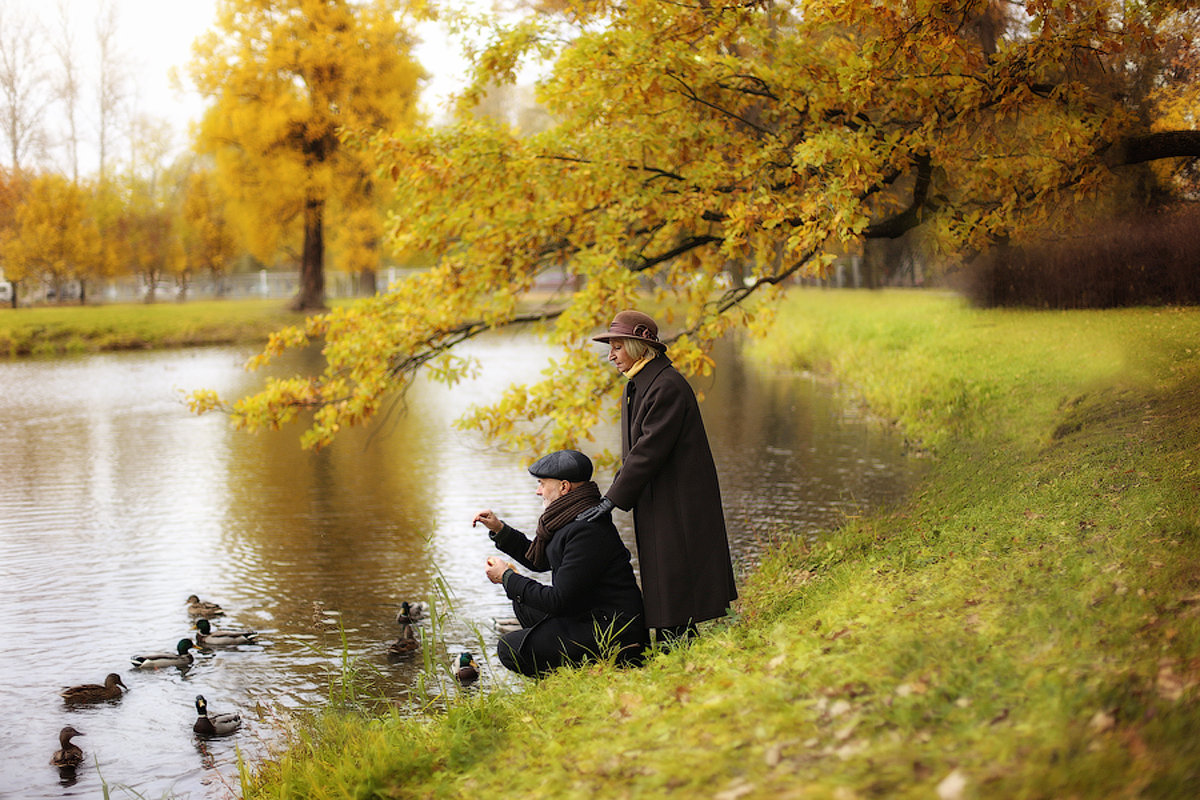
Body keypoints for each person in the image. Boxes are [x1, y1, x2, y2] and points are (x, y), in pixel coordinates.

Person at [578, 310, 738, 644]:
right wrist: (615, 494)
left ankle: (677, 644)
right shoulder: (641, 384)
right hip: (658, 494)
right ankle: (673, 642)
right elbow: (637, 452)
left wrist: (611, 499)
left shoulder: (666, 386)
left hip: (679, 498)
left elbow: (648, 450)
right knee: (665, 570)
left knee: (675, 568)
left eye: (617, 347)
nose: (611, 356)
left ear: (638, 346)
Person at [473, 449, 650, 677]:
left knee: (509, 647)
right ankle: (569, 669)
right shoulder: (574, 517)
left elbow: (558, 601)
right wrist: (500, 530)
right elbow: (540, 560)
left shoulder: (586, 530)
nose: (538, 491)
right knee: (525, 603)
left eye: (542, 483)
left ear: (564, 487)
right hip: (589, 615)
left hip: (614, 631)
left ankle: (591, 671)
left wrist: (507, 577)